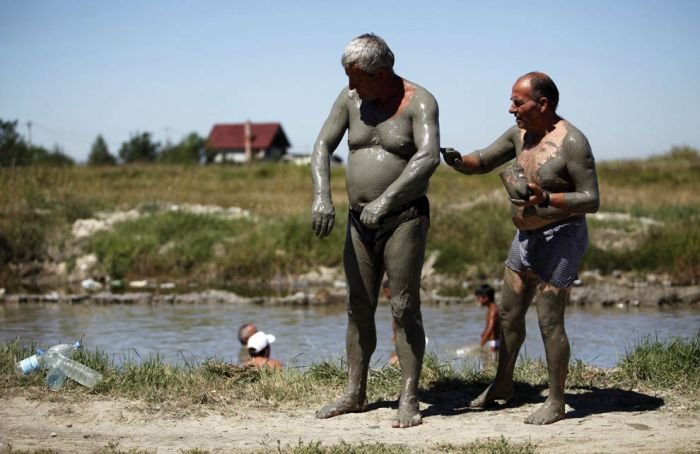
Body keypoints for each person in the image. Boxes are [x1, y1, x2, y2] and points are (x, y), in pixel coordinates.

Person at [442, 72, 600, 425]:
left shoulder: (572, 142)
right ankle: (502, 384)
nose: (510, 108)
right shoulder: (520, 135)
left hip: (562, 236)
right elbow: (483, 160)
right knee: (510, 314)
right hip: (524, 238)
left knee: (549, 321)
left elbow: (591, 199)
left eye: (518, 102)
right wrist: (458, 161)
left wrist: (547, 197)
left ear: (542, 104)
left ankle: (557, 401)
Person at [311, 33, 440, 428]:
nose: (351, 86)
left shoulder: (419, 101)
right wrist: (322, 196)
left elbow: (429, 156)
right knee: (358, 306)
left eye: (357, 78)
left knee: (403, 307)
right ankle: (355, 393)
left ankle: (410, 396)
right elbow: (322, 145)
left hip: (403, 219)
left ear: (381, 73)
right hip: (356, 222)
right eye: (347, 77)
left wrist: (386, 201)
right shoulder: (350, 100)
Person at [475, 284, 500, 353]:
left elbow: (490, 328)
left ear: (486, 298)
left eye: (479, 298)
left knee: (490, 363)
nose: (478, 300)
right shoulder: (490, 308)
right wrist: (483, 334)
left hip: (495, 344)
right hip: (493, 343)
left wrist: (481, 345)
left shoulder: (493, 310)